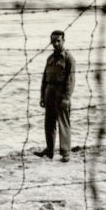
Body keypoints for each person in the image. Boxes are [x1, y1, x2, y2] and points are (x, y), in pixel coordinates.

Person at [37, 30, 75, 162]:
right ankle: (50, 150)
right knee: (49, 122)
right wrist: (42, 96)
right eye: (53, 41)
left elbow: (71, 79)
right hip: (49, 91)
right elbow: (44, 78)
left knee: (63, 122)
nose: (56, 44)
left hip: (61, 91)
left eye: (58, 41)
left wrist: (67, 97)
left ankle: (65, 152)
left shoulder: (68, 58)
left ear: (63, 41)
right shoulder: (50, 58)